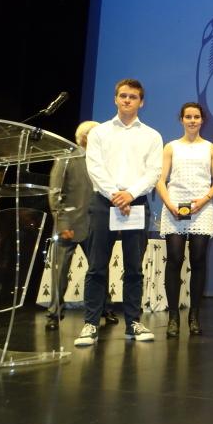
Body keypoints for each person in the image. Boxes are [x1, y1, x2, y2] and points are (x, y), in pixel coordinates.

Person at [75, 79, 163, 347]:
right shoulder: (99, 133)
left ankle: (133, 323)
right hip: (104, 203)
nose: (127, 100)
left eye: (133, 97)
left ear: (141, 102)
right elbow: (95, 168)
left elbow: (153, 172)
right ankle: (91, 324)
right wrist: (116, 194)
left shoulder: (152, 136)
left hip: (136, 203)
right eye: (123, 95)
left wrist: (130, 194)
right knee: (96, 266)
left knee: (134, 267)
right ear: (115, 99)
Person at [156, 102, 213, 338]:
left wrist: (204, 200)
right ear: (182, 120)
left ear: (202, 120)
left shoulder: (211, 148)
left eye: (196, 117)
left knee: (198, 260)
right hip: (174, 206)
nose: (192, 120)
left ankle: (194, 316)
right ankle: (173, 317)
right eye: (188, 117)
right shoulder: (171, 147)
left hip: (201, 208)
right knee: (174, 259)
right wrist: (169, 203)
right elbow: (160, 179)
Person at [47, 121, 120, 330]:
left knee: (99, 268)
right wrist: (62, 223)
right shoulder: (67, 158)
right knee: (60, 271)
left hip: (97, 223)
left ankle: (104, 307)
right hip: (69, 225)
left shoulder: (105, 161)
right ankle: (54, 313)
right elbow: (55, 192)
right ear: (86, 137)